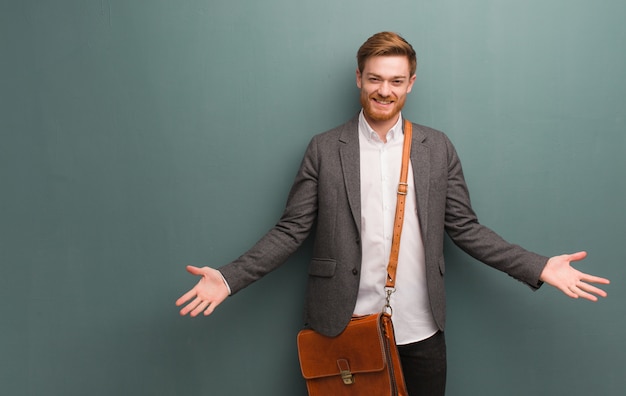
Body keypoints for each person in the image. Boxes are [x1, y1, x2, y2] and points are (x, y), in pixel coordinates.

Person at [176, 32, 610, 395]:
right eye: (376, 79)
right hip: (342, 326)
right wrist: (230, 277)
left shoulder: (436, 148)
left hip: (420, 330)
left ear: (411, 83)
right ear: (359, 80)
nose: (385, 90)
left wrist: (539, 267)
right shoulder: (325, 149)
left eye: (396, 81)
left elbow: (466, 229)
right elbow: (291, 231)